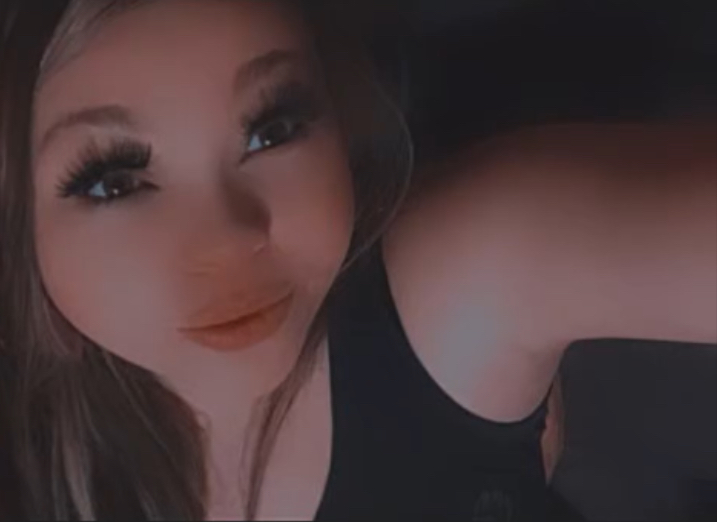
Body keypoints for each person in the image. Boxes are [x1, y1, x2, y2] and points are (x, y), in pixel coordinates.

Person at [0, 0, 714, 520]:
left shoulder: (458, 273)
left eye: (272, 129)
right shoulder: (33, 464)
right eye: (114, 182)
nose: (231, 240)